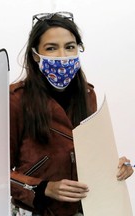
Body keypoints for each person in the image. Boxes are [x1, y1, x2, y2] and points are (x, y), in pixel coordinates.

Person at [10, 12, 134, 216]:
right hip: (35, 211)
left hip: (86, 210)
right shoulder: (16, 99)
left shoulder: (87, 94)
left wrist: (118, 167)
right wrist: (43, 187)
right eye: (51, 48)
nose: (63, 56)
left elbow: (92, 157)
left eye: (69, 47)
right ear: (35, 55)